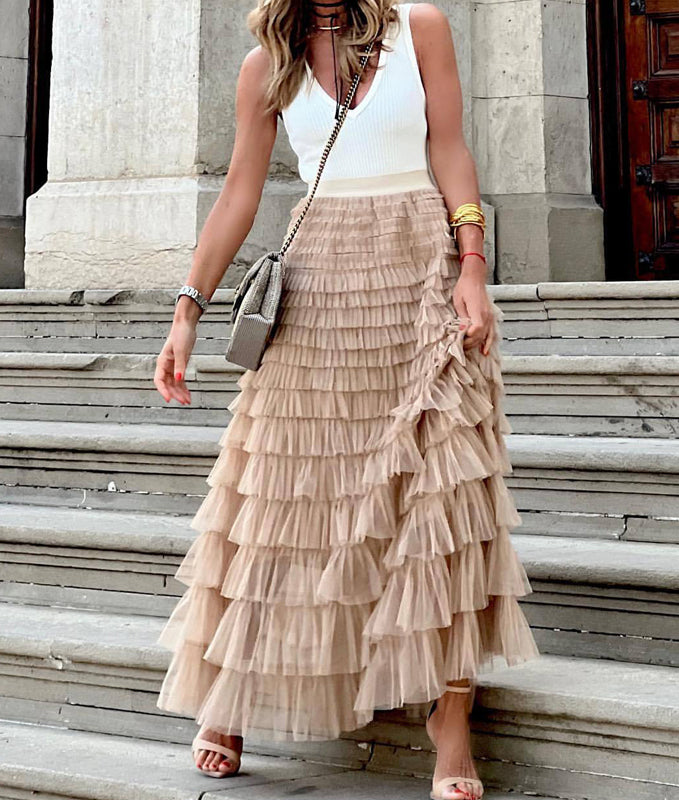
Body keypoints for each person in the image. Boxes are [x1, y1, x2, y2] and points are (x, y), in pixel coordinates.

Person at [152, 2, 539, 798]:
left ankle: (450, 719)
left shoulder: (420, 27)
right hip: (321, 278)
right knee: (285, 491)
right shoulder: (267, 63)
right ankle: (237, 689)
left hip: (416, 266)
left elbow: (449, 146)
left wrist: (473, 263)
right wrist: (186, 311)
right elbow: (239, 193)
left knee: (444, 489)